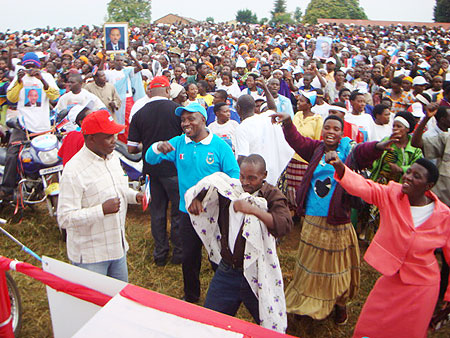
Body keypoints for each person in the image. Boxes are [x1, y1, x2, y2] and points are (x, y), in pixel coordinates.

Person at [272, 112, 393, 324]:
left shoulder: (349, 151)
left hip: (337, 220)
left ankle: (339, 305)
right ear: (322, 130)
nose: (331, 132)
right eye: (327, 128)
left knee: (336, 267)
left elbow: (364, 152)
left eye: (336, 129)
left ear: (341, 133)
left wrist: (378, 147)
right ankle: (308, 303)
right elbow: (297, 140)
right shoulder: (316, 149)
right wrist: (288, 122)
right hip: (312, 217)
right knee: (310, 265)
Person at [328, 155, 450, 338]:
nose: (408, 177)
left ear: (428, 186)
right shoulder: (392, 195)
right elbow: (365, 187)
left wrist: (448, 299)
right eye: (408, 172)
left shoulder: (444, 216)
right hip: (391, 279)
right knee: (368, 328)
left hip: (422, 287)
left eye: (417, 176)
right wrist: (341, 169)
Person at [184, 154, 292, 332]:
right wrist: (197, 200)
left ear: (264, 175)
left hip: (257, 272)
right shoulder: (231, 191)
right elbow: (207, 189)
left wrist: (254, 211)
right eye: (242, 176)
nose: (246, 182)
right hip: (228, 270)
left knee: (270, 325)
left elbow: (284, 225)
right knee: (210, 322)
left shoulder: (272, 196)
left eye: (252, 178)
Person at [145, 102, 240, 303]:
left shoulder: (219, 146)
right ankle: (191, 297)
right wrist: (157, 146)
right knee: (189, 258)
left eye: (191, 119)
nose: (185, 123)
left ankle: (223, 298)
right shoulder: (179, 143)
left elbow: (233, 178)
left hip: (215, 214)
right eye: (182, 120)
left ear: (203, 120)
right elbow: (150, 159)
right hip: (188, 213)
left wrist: (206, 196)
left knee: (219, 257)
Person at [57, 110, 144, 282]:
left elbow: (118, 190)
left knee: (119, 301)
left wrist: (135, 196)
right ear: (91, 139)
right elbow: (65, 218)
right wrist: (101, 210)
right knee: (94, 307)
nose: (115, 141)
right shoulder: (74, 171)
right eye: (108, 137)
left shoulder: (112, 158)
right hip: (91, 257)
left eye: (115, 135)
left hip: (117, 248)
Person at [128, 76, 183, 266]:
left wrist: (149, 143)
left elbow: (131, 148)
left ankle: (160, 254)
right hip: (175, 170)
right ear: (168, 91)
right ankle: (178, 254)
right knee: (177, 212)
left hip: (151, 171)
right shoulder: (177, 111)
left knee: (157, 212)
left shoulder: (139, 113)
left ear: (149, 92)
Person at [1, 52, 59, 199]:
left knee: (52, 156)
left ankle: (47, 186)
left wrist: (42, 81)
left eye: (33, 66)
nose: (30, 69)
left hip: (43, 127)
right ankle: (7, 189)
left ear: (38, 66)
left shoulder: (47, 77)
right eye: (28, 66)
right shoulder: (19, 79)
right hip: (23, 126)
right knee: (12, 154)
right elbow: (11, 98)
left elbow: (54, 96)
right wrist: (19, 80)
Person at [234, 95, 294, 186]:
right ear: (254, 107)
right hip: (277, 172)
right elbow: (273, 107)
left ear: (238, 108)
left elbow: (242, 158)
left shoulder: (241, 128)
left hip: (258, 176)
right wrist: (265, 88)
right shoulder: (267, 117)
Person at [285, 90, 323, 211]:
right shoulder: (297, 116)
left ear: (309, 104)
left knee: (302, 187)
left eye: (301, 101)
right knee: (290, 186)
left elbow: (317, 142)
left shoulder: (317, 120)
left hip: (305, 161)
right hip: (291, 158)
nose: (298, 102)